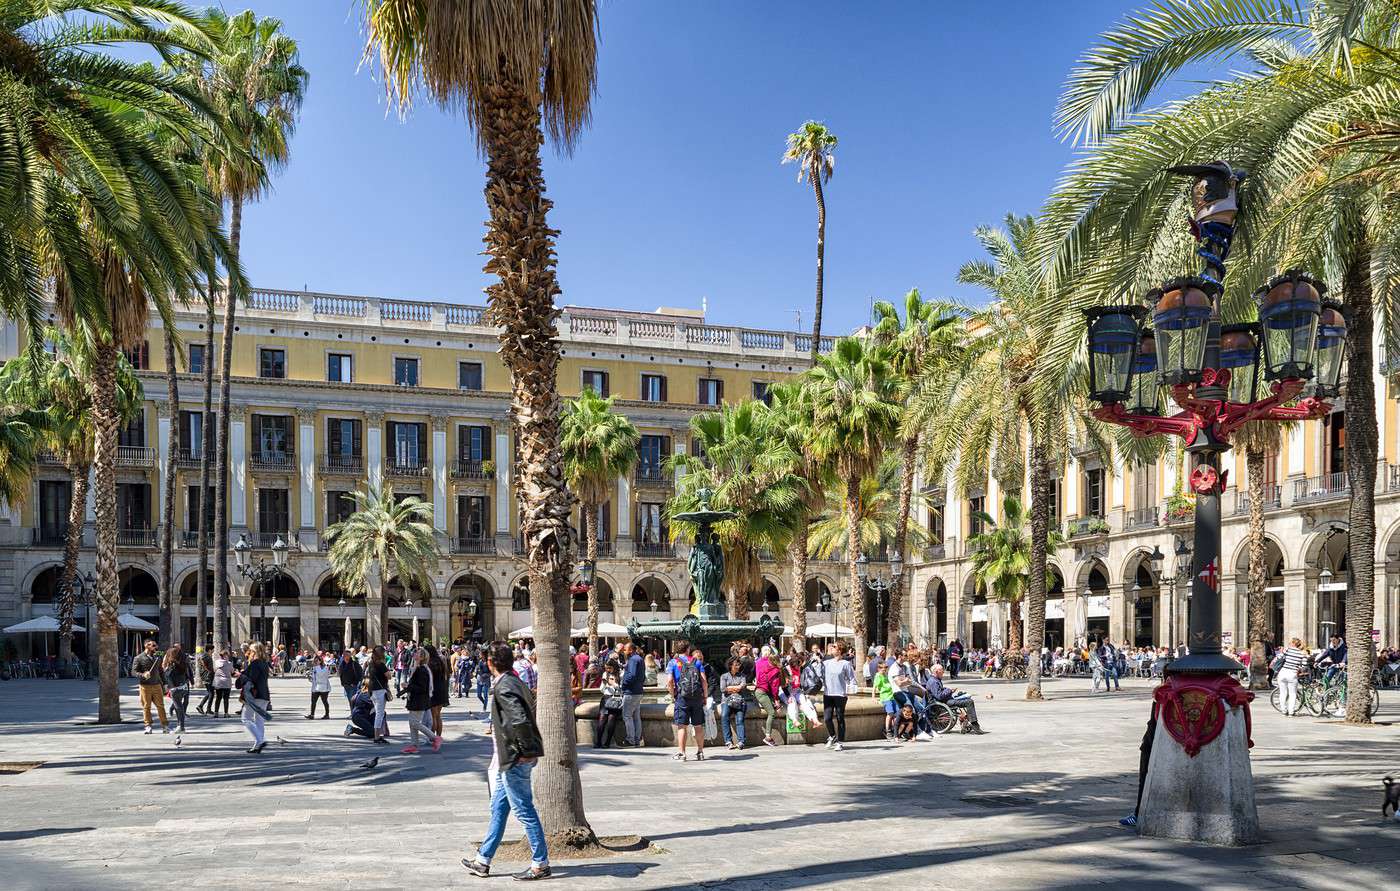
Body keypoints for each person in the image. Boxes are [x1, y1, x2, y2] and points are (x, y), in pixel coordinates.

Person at [461, 643, 549, 881]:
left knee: (524, 810)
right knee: (499, 808)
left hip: (514, 758)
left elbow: (519, 719)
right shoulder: (515, 680)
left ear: (490, 663)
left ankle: (540, 863)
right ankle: (483, 859)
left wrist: (526, 750)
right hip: (508, 758)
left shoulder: (505, 686)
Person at [668, 646, 709, 762]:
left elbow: (669, 680)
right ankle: (700, 752)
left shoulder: (673, 662)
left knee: (682, 726)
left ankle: (682, 753)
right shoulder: (697, 662)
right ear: (688, 649)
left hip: (682, 697)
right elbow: (704, 681)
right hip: (696, 698)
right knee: (698, 725)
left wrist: (673, 694)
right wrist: (705, 696)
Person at [399, 648, 443, 754]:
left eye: (418, 653)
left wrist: (408, 686)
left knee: (414, 722)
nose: (415, 654)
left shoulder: (422, 670)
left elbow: (422, 688)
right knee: (412, 723)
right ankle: (414, 745)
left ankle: (434, 738)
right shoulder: (418, 668)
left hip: (419, 700)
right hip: (415, 700)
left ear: (422, 657)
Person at [926, 664, 986, 734]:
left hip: (945, 700)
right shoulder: (933, 682)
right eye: (942, 671)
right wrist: (949, 691)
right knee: (969, 702)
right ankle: (974, 724)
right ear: (936, 672)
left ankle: (968, 720)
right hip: (942, 702)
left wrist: (947, 690)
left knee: (966, 698)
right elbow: (939, 696)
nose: (943, 672)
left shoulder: (935, 680)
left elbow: (940, 692)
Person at [236, 642, 272, 754]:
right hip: (264, 694)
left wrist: (240, 675)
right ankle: (257, 745)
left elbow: (251, 679)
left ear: (255, 652)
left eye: (251, 651)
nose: (249, 653)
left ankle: (260, 740)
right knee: (259, 720)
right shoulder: (265, 663)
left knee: (246, 718)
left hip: (254, 695)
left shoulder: (255, 663)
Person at [821, 642, 856, 751]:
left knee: (840, 717)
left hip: (840, 694)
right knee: (827, 718)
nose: (832, 648)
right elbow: (819, 675)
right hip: (828, 694)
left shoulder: (846, 664)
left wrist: (852, 688)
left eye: (835, 647)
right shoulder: (826, 663)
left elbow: (851, 678)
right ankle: (832, 736)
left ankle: (840, 741)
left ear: (840, 650)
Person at [132, 639, 169, 734]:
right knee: (146, 707)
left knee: (160, 706)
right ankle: (148, 726)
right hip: (145, 686)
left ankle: (165, 726)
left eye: (155, 645)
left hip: (157, 685)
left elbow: (161, 671)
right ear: (146, 646)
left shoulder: (157, 657)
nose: (155, 647)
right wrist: (143, 675)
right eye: (152, 645)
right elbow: (133, 672)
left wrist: (165, 684)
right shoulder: (139, 658)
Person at [753, 649, 784, 748]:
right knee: (772, 713)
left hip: (759, 691)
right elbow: (775, 688)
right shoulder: (775, 671)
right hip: (762, 693)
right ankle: (768, 737)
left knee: (774, 708)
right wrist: (776, 700)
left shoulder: (763, 666)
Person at [1274, 636, 1310, 716]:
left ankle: (1284, 710)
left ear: (1293, 643)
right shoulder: (1302, 653)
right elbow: (1304, 666)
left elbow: (1279, 657)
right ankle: (1291, 712)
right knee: (1292, 694)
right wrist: (1298, 668)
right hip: (1292, 674)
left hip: (1283, 672)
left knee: (1283, 693)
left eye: (1290, 642)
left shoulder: (1287, 649)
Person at [163, 644, 193, 737]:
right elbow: (188, 674)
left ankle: (181, 726)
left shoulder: (171, 667)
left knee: (178, 708)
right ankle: (180, 726)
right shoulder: (182, 665)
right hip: (183, 687)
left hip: (175, 689)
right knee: (179, 707)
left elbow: (167, 676)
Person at [719, 657, 749, 750]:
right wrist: (736, 687)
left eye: (739, 664)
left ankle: (741, 741)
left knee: (740, 720)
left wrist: (730, 688)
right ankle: (728, 741)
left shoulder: (742, 676)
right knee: (724, 716)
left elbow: (742, 687)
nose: (738, 666)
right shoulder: (724, 676)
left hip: (739, 700)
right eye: (736, 664)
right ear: (730, 665)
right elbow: (723, 689)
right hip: (726, 700)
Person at [620, 642, 646, 747]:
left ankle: (630, 739)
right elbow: (642, 676)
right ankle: (636, 739)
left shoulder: (633, 660)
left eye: (625, 649)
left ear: (630, 650)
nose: (624, 651)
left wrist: (624, 684)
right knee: (636, 716)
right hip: (638, 691)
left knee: (627, 716)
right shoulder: (639, 659)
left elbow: (632, 675)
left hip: (631, 692)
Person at [594, 660, 624, 748]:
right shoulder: (605, 674)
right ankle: (598, 742)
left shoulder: (621, 674)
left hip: (615, 698)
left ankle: (607, 742)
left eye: (609, 668)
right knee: (602, 719)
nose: (608, 670)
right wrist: (605, 685)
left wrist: (614, 684)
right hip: (606, 697)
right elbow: (602, 689)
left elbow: (622, 689)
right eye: (606, 668)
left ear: (614, 667)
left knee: (611, 719)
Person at [367, 645, 392, 743]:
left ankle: (378, 734)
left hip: (372, 691)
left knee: (378, 712)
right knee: (379, 714)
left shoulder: (371, 664)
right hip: (380, 691)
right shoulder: (381, 665)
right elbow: (389, 676)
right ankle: (377, 736)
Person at [428, 644, 450, 736]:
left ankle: (433, 737)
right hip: (442, 688)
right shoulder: (441, 661)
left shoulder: (429, 663)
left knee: (433, 715)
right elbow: (446, 674)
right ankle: (438, 736)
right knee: (438, 715)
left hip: (433, 689)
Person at [211, 648, 234, 717]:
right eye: (227, 655)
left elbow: (214, 670)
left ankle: (216, 713)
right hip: (226, 682)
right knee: (226, 698)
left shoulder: (216, 662)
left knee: (218, 698)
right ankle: (226, 713)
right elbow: (232, 671)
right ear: (225, 655)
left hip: (218, 682)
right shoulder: (229, 663)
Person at [194, 646, 215, 716]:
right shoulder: (205, 656)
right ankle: (207, 709)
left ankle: (201, 706)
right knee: (211, 693)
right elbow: (202, 662)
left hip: (208, 676)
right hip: (207, 676)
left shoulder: (206, 655)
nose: (213, 651)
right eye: (213, 650)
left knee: (210, 693)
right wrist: (208, 670)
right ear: (209, 650)